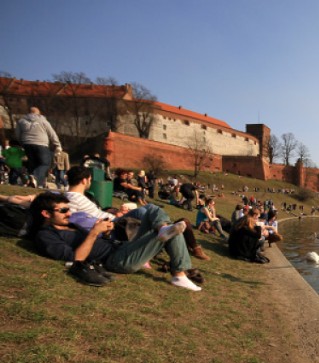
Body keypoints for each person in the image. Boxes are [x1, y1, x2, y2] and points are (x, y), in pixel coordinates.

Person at [29, 191, 201, 291]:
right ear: (45, 213)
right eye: (64, 210)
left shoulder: (70, 224)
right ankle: (179, 275)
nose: (69, 213)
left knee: (154, 211)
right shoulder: (46, 236)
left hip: (121, 246)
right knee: (174, 230)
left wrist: (104, 232)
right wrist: (93, 233)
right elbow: (75, 259)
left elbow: (95, 242)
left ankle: (163, 229)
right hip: (117, 260)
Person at [64, 166, 210, 260]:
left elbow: (94, 212)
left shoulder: (83, 197)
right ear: (85, 180)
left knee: (153, 212)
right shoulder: (70, 199)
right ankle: (175, 236)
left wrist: (112, 210)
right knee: (150, 210)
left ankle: (169, 231)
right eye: (90, 179)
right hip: (113, 223)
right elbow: (79, 218)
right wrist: (113, 216)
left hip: (114, 218)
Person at [15, 107, 61, 188]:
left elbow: (18, 134)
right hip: (41, 143)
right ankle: (35, 177)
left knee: (33, 163)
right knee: (45, 163)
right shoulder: (43, 121)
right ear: (39, 113)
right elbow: (52, 133)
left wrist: (22, 143)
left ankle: (35, 182)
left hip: (27, 144)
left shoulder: (21, 121)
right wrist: (57, 145)